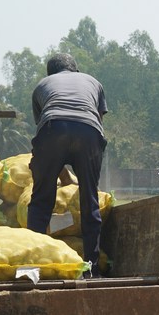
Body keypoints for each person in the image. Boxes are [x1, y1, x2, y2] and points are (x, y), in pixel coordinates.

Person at [29, 53, 107, 277]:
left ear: (50, 73)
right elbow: (98, 121)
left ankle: (35, 267)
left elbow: (45, 132)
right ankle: (91, 269)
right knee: (89, 200)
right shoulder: (93, 82)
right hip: (89, 130)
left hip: (53, 127)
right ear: (76, 69)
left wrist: (50, 171)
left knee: (41, 200)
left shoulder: (42, 85)